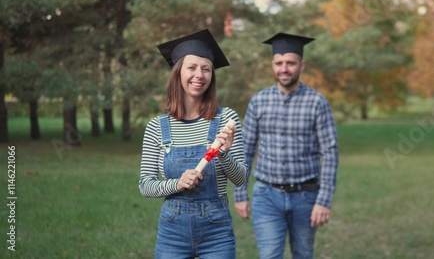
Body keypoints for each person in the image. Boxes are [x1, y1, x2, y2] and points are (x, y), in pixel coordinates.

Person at [139, 29, 248, 259]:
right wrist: (177, 184)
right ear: (178, 72)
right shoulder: (156, 127)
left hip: (216, 228)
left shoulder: (226, 119)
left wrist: (224, 153)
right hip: (173, 230)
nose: (200, 75)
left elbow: (241, 179)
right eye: (192, 67)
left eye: (206, 69)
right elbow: (146, 185)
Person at [234, 32, 339, 259]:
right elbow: (246, 149)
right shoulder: (258, 101)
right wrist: (240, 194)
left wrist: (324, 201)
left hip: (306, 197)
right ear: (272, 65)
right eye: (279, 63)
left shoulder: (317, 103)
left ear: (301, 65)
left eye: (290, 63)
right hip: (266, 196)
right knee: (270, 255)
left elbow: (330, 153)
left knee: (303, 254)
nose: (284, 68)